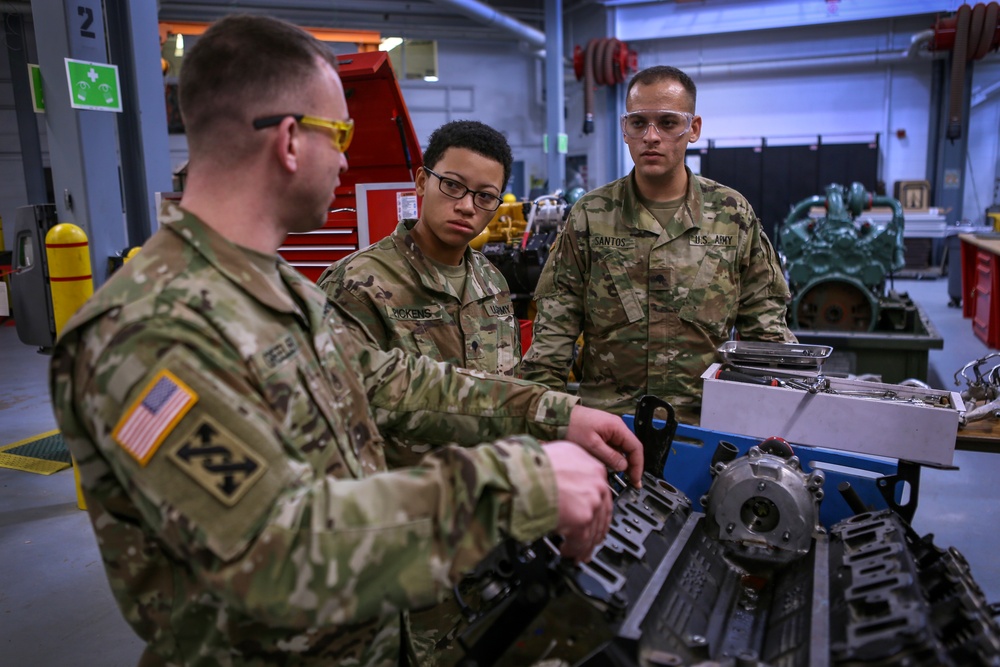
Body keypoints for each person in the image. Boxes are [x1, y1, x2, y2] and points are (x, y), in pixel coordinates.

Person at [49, 15, 644, 667]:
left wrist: (554, 412)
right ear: (289, 141)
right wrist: (520, 483)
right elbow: (272, 548)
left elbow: (390, 380)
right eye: (341, 135)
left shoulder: (277, 289)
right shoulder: (149, 329)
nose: (346, 158)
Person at [319, 120, 519, 663]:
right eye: (451, 186)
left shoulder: (491, 285)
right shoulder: (359, 285)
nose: (466, 207)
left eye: (484, 196)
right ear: (420, 180)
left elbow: (509, 391)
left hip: (486, 526)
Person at [521, 65, 795, 423]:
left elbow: (766, 332)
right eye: (638, 123)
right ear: (625, 129)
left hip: (705, 425)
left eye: (668, 123)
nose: (651, 136)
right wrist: (545, 427)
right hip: (610, 425)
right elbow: (553, 335)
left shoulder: (731, 214)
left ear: (693, 128)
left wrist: (778, 416)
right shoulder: (592, 215)